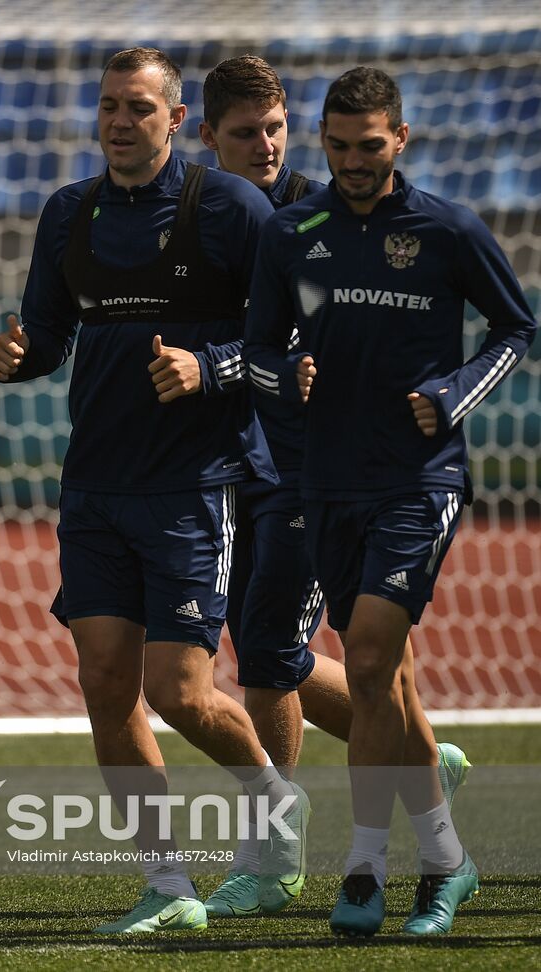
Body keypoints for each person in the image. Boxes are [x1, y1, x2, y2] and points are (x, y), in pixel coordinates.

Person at [0, 47, 306, 932]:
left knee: (181, 692)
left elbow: (286, 346)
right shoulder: (68, 213)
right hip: (93, 484)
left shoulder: (232, 208)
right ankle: (167, 887)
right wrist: (20, 358)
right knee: (104, 686)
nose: (119, 122)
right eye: (107, 107)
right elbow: (48, 334)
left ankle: (278, 808)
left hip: (194, 484)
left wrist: (208, 368)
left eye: (137, 107)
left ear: (175, 120)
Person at [245, 66, 536, 936]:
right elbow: (261, 345)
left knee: (367, 659)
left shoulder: (447, 230)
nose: (353, 163)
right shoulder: (297, 233)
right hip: (324, 482)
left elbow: (515, 328)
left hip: (419, 480)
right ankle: (448, 863)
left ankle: (365, 870)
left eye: (370, 147)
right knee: (388, 682)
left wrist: (454, 391)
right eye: (338, 148)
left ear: (400, 140)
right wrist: (282, 370)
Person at [197, 55, 469, 918]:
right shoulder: (198, 216)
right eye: (246, 133)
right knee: (312, 658)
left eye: (275, 127)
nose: (266, 145)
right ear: (206, 137)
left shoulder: (323, 215)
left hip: (311, 472)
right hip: (225, 462)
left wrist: (216, 369)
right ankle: (420, 764)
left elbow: (287, 346)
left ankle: (275, 858)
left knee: (270, 659)